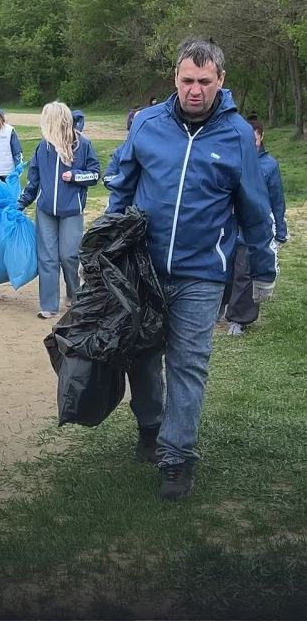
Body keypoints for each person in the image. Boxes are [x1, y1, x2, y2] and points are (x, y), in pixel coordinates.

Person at [107, 38, 277, 500]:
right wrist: (107, 248)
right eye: (187, 80)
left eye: (205, 81)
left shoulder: (238, 134)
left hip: (202, 273)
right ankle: (150, 424)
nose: (195, 89)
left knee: (188, 362)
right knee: (141, 354)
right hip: (143, 268)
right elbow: (122, 187)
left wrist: (262, 269)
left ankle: (177, 457)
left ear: (221, 81)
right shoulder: (146, 124)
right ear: (174, 79)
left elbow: (253, 208)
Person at [17, 101, 100, 319]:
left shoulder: (83, 145)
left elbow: (94, 174)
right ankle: (49, 305)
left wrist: (75, 176)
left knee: (69, 256)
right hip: (45, 211)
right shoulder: (42, 147)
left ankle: (74, 295)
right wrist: (22, 202)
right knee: (47, 258)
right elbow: (33, 181)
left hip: (72, 210)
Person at [226, 114, 288, 336]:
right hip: (227, 228)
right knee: (226, 270)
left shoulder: (269, 166)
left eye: (255, 138)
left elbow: (277, 200)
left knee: (245, 272)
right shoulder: (232, 159)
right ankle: (221, 306)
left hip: (251, 230)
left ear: (261, 137)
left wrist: (280, 231)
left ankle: (239, 319)